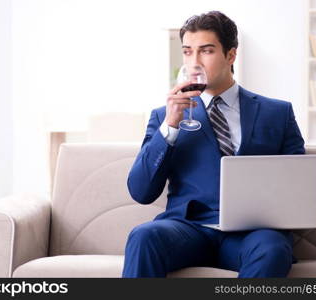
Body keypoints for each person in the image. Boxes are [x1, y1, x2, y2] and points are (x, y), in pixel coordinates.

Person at [122, 10, 305, 278]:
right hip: (188, 229)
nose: (194, 62)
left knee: (272, 247)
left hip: (250, 234)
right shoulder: (164, 115)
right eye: (187, 52)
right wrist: (170, 127)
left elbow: (299, 185)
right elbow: (140, 191)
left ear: (231, 55)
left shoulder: (277, 113)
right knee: (143, 236)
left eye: (206, 51)